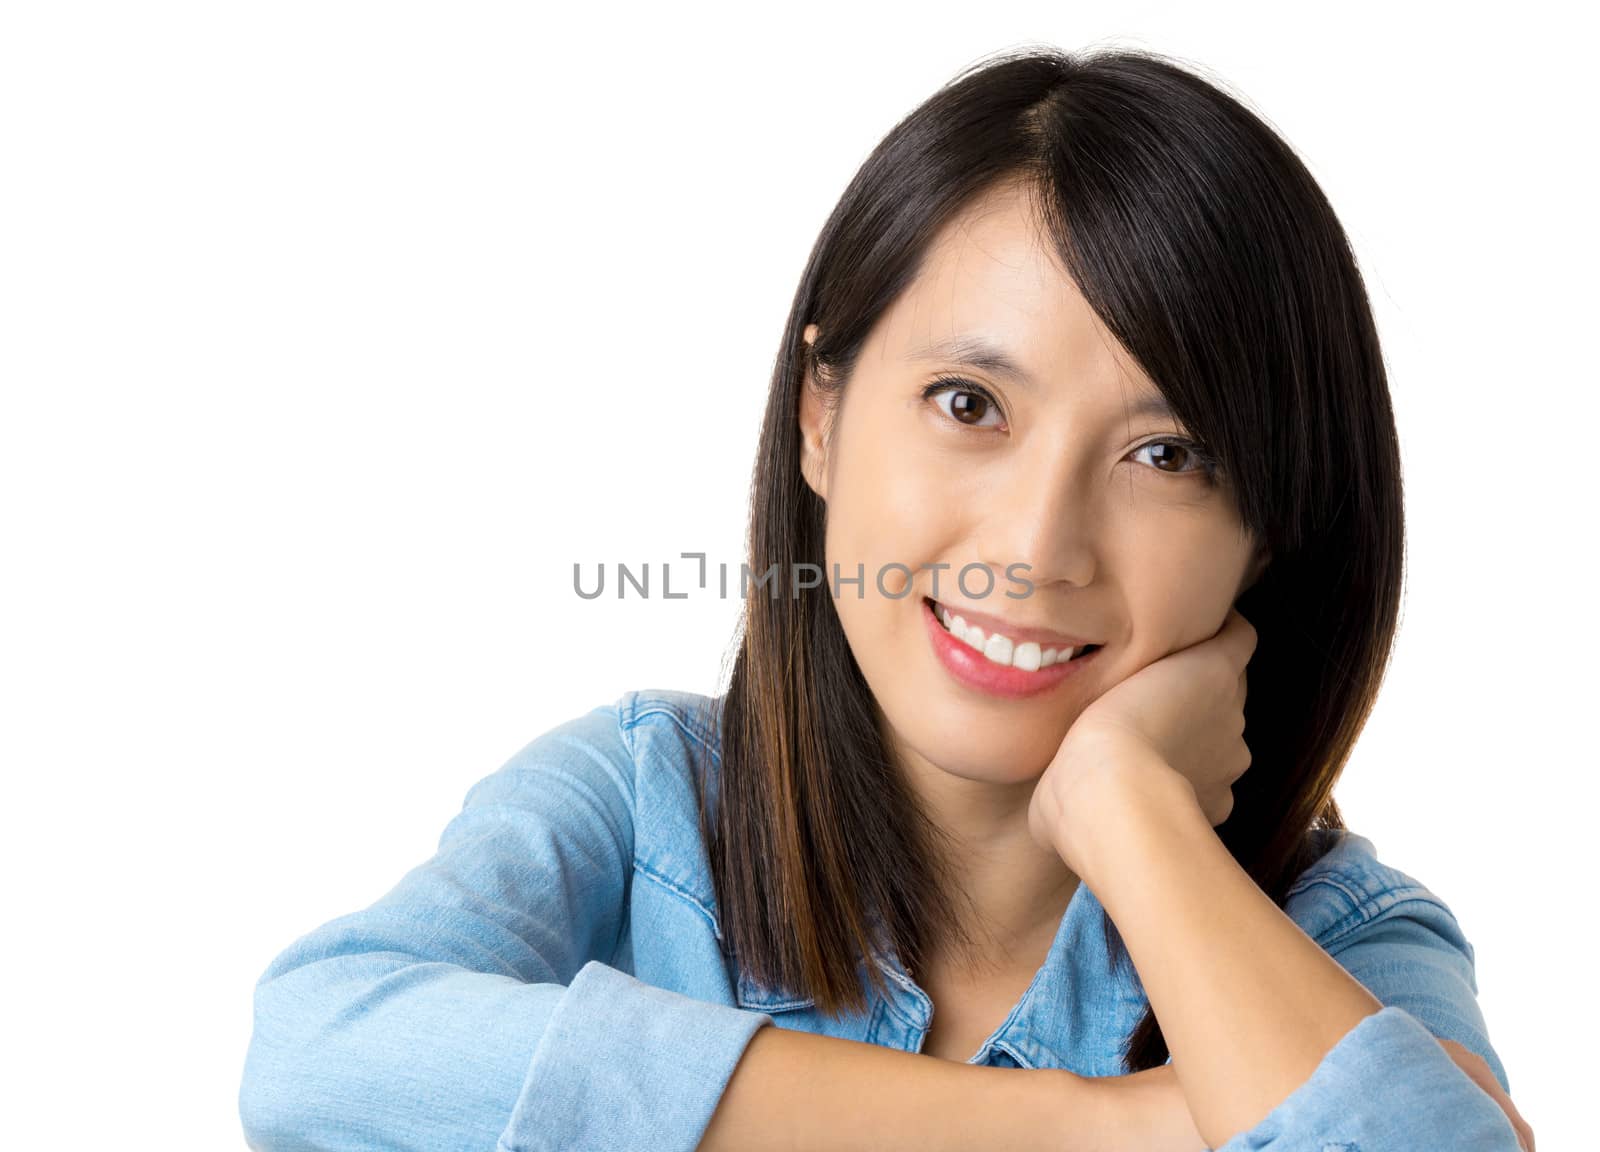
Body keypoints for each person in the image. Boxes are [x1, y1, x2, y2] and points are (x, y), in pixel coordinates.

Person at [238, 45, 1535, 1152]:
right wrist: (1085, 1128)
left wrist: (1132, 816)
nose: (1035, 549)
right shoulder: (641, 811)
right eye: (970, 406)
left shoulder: (1335, 942)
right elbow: (322, 1052)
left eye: (1167, 454)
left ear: (1266, 536)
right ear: (822, 414)